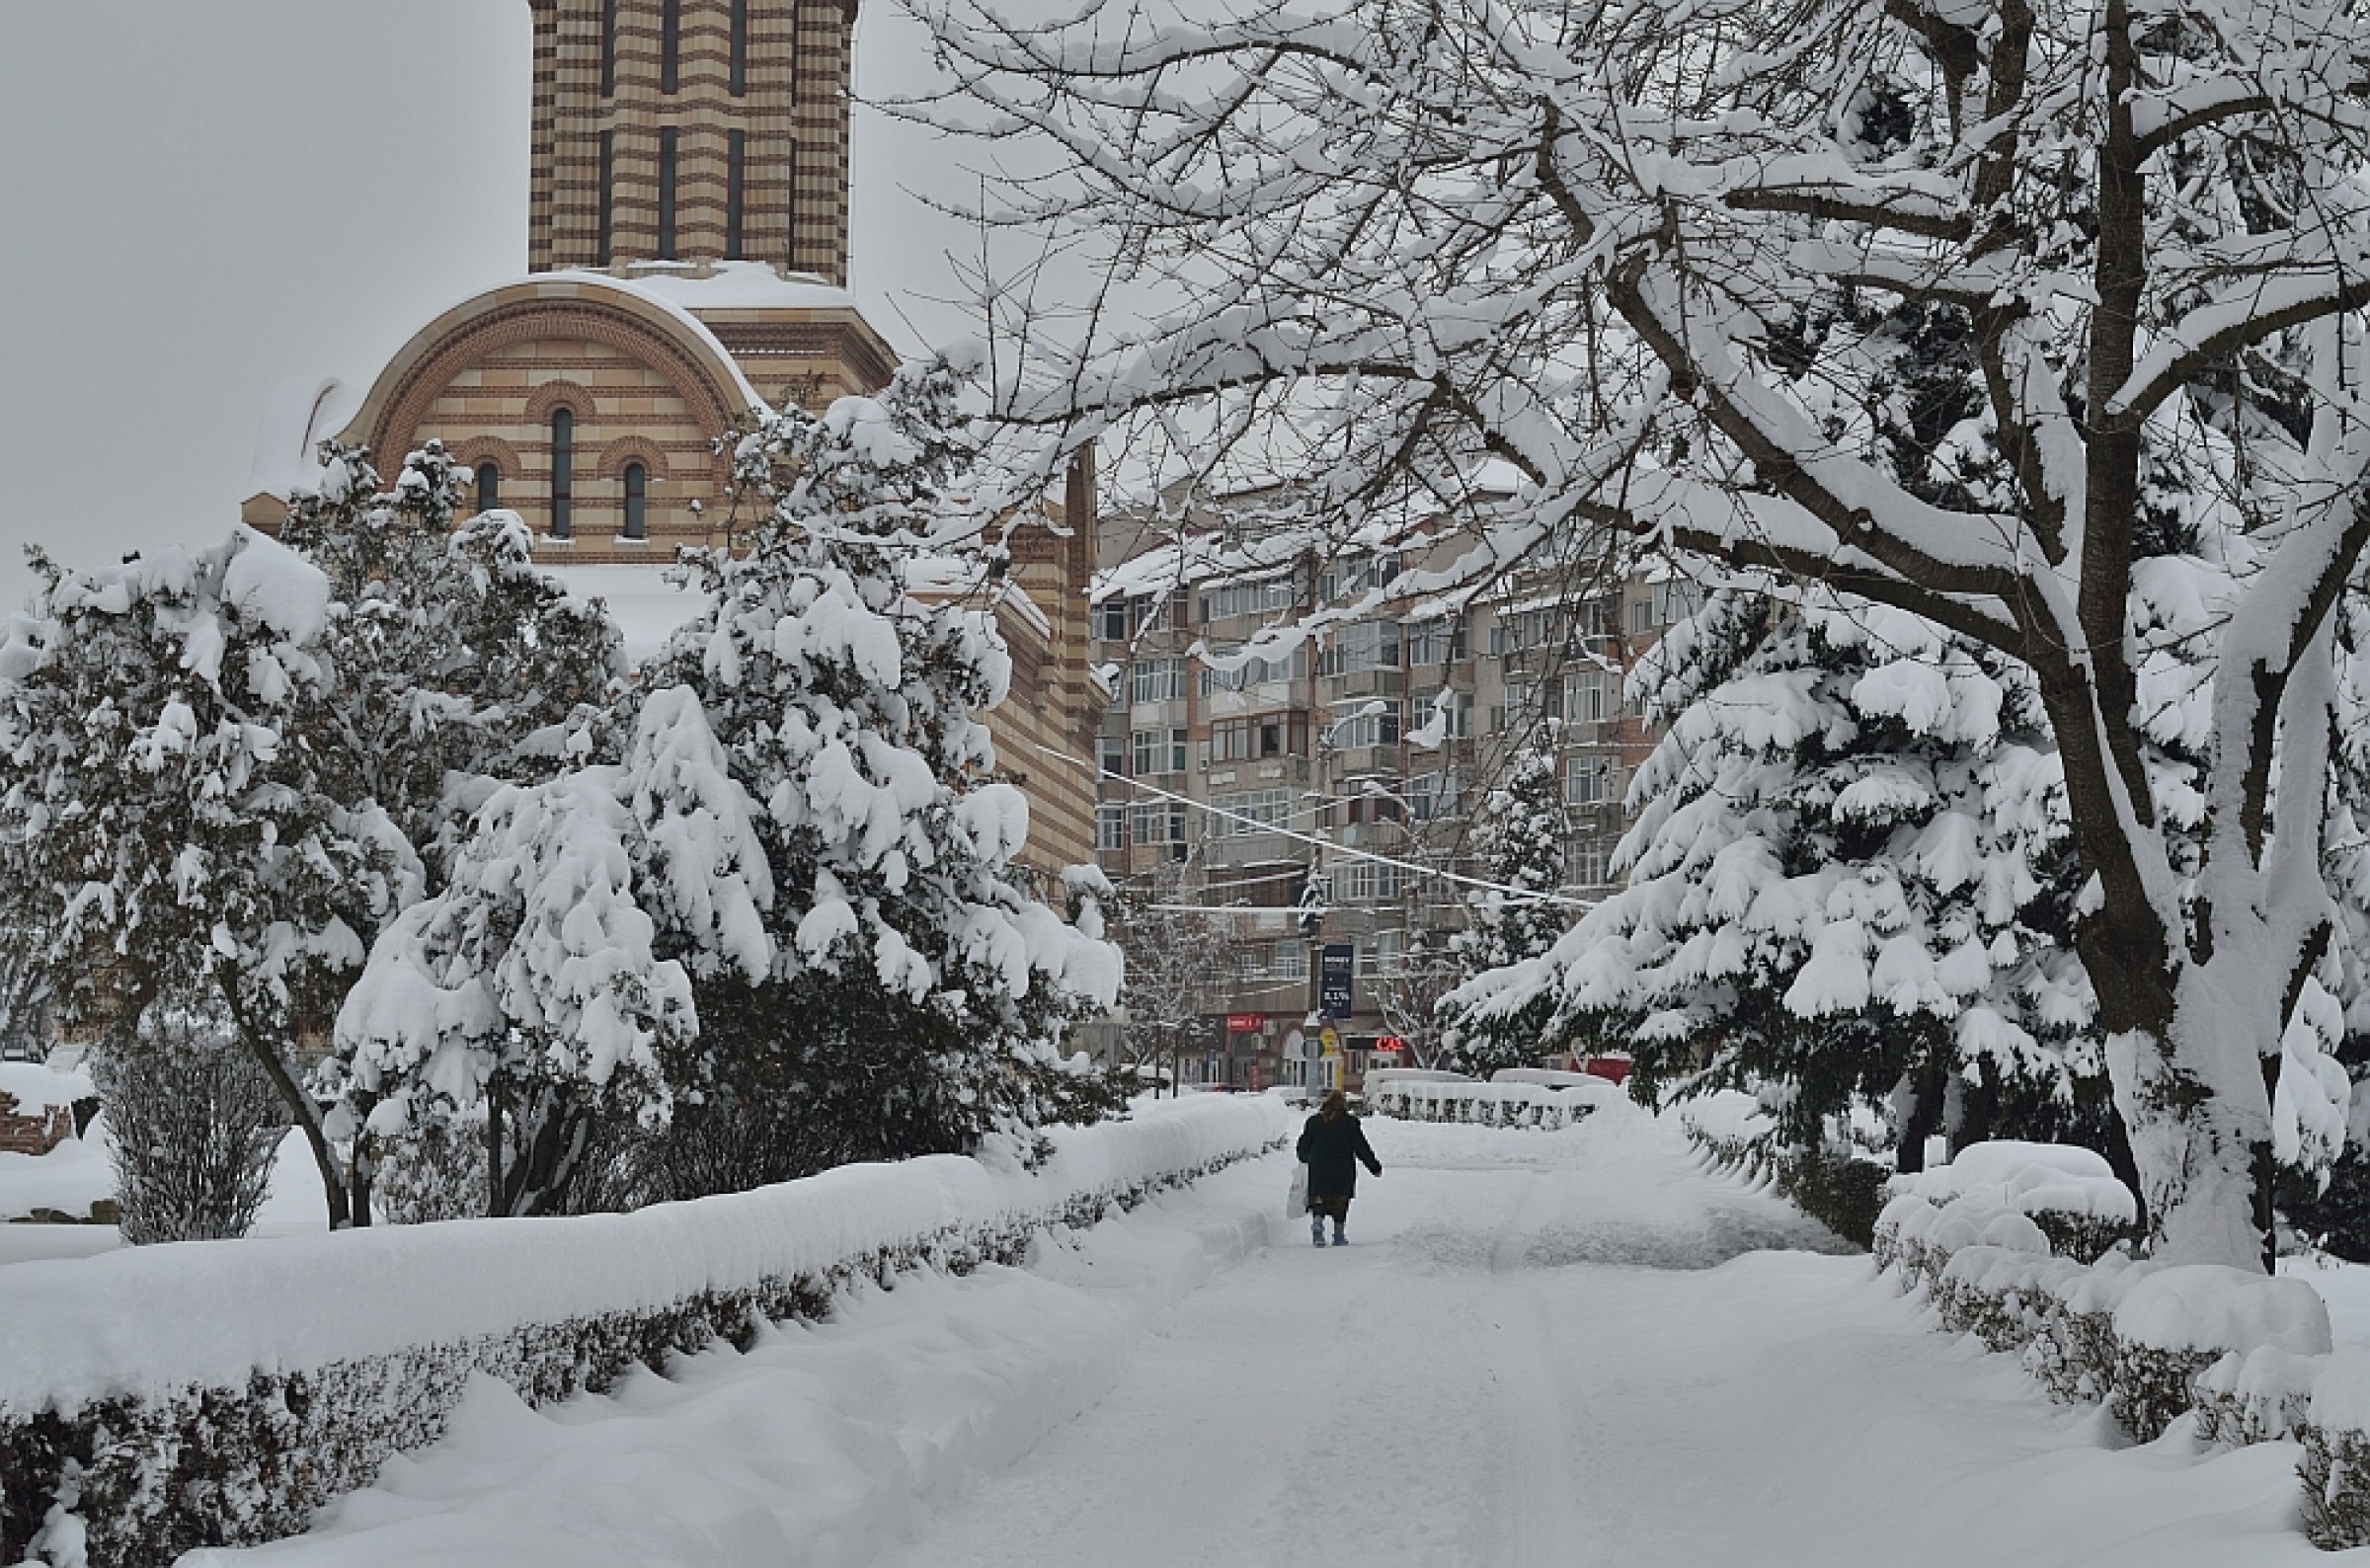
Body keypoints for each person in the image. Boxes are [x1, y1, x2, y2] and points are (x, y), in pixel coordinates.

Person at [1296, 1088, 1382, 1246]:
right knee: (1340, 1201)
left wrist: (1305, 1158)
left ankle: (1317, 1225)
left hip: (1319, 1167)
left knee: (1320, 1198)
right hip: (1342, 1169)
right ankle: (1339, 1235)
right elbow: (1361, 1147)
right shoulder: (1350, 1123)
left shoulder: (1314, 1122)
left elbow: (1303, 1145)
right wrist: (1374, 1167)